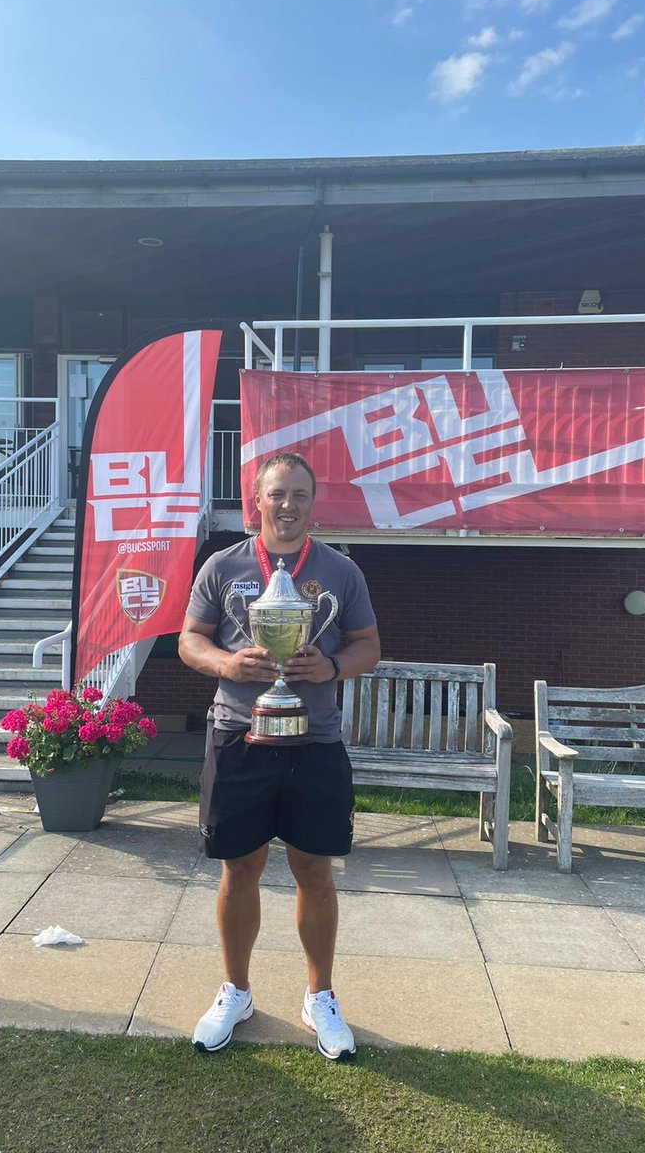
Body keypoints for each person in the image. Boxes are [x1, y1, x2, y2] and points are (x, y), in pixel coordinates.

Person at [178, 451, 381, 1061]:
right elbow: (191, 639)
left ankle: (320, 997)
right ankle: (236, 991)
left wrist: (334, 665)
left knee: (314, 871)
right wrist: (226, 662)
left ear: (312, 502)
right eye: (277, 494)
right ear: (257, 500)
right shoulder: (224, 565)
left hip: (314, 738)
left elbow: (369, 644)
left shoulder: (341, 572)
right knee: (238, 868)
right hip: (239, 732)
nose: (287, 505)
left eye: (299, 494)